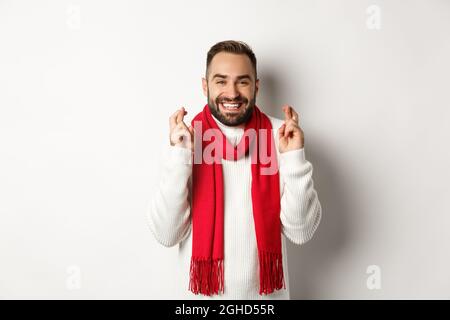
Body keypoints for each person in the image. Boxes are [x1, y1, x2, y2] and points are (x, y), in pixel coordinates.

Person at [146, 40, 322, 299]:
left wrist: (294, 157)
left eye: (242, 81)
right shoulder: (185, 138)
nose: (232, 93)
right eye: (221, 81)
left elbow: (301, 231)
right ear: (205, 86)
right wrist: (179, 157)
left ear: (256, 86)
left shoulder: (279, 136)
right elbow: (167, 234)